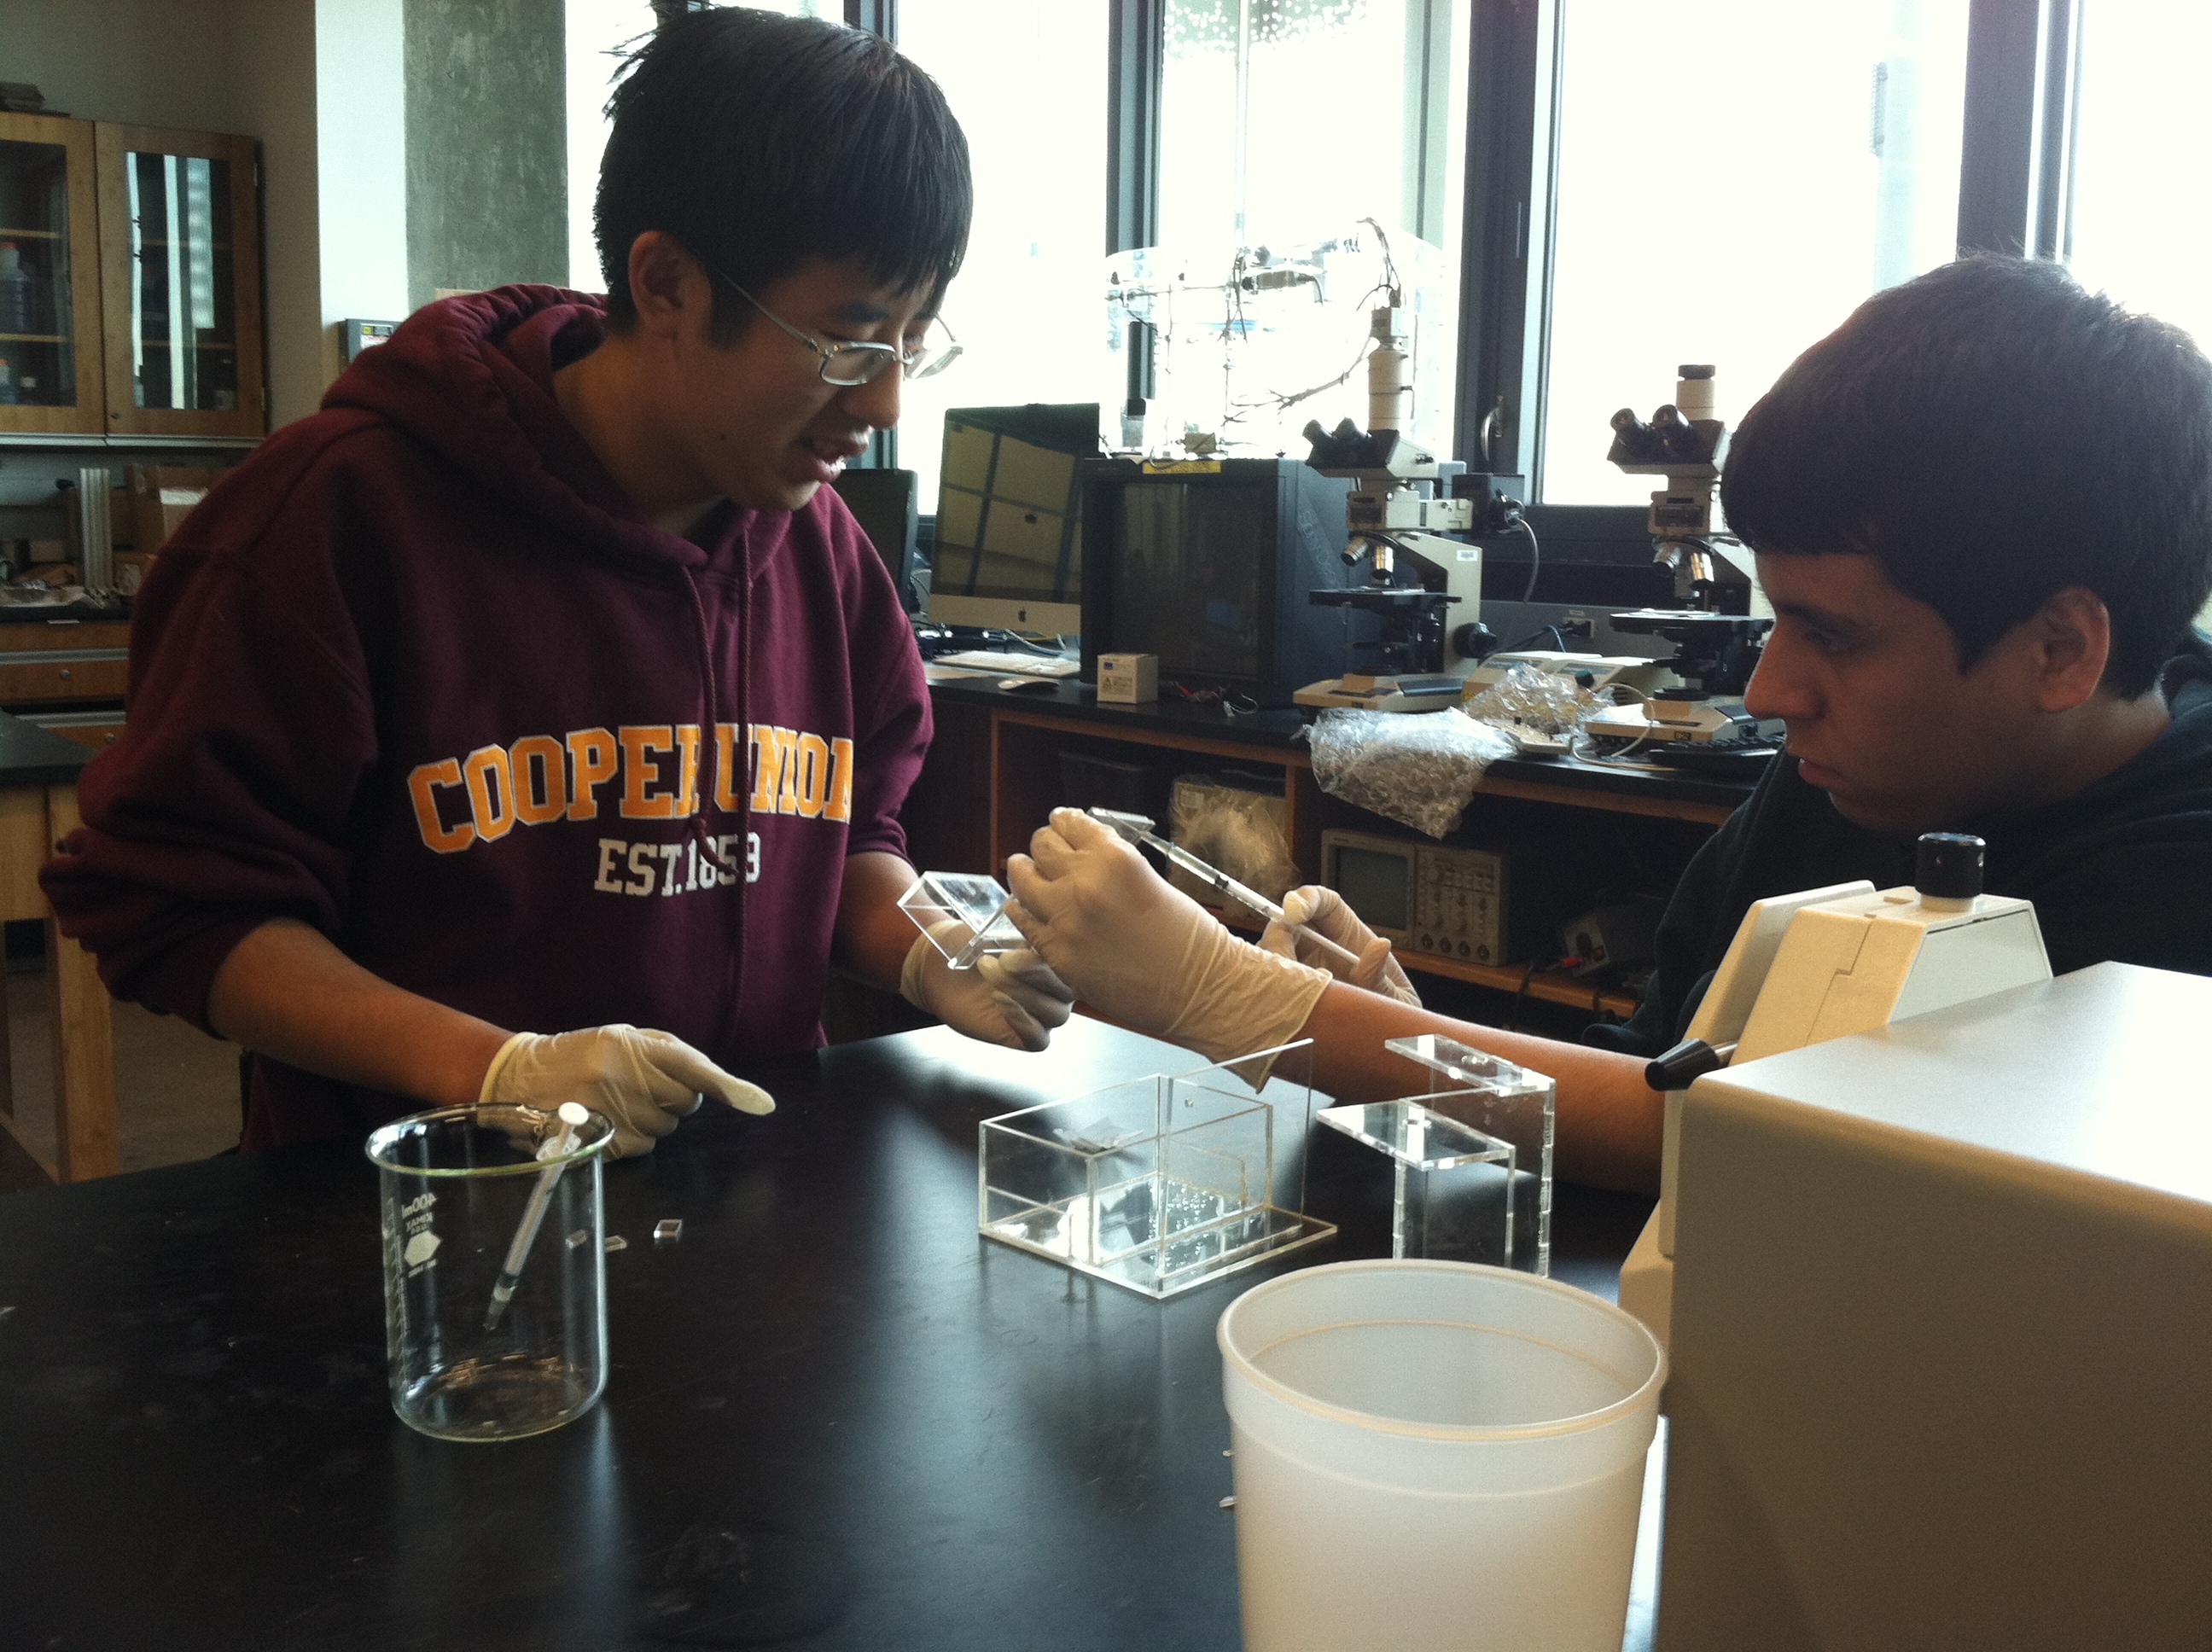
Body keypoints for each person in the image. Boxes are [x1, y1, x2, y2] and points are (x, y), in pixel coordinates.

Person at [41, 9, 1071, 1157]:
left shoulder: (819, 544)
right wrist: (492, 1070)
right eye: (852, 341)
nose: (884, 404)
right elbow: (180, 905)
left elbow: (842, 839)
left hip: (748, 1197)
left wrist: (931, 947)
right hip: (421, 1212)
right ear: (667, 284)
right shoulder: (337, 518)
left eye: (914, 344)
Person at [1006, 256, 2212, 1193]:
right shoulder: (1859, 772)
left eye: (1835, 636)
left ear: (2060, 650)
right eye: (1777, 620)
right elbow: (1659, 1068)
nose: (1769, 693)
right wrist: (1410, 1027)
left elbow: (1757, 1152)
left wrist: (1258, 1008)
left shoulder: (2176, 893)